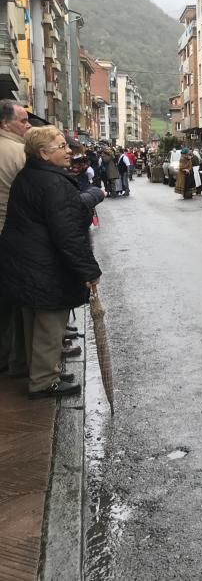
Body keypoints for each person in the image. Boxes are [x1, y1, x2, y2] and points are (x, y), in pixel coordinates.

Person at [0, 127, 102, 399]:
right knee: (48, 324)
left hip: (23, 261)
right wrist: (89, 271)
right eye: (61, 146)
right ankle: (44, 381)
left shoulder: (30, 175)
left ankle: (31, 370)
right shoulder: (54, 183)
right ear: (44, 153)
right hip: (44, 266)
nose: (69, 150)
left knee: (30, 321)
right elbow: (68, 234)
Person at [0, 100, 30, 374]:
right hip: (13, 237)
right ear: (5, 123)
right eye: (22, 120)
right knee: (19, 303)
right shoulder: (19, 153)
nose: (28, 124)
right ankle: (20, 362)